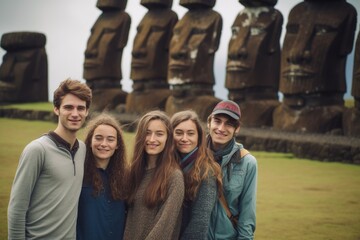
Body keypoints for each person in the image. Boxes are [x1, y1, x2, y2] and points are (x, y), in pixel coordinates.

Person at [7, 78, 92, 239]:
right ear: (56, 109)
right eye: (68, 107)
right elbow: (17, 208)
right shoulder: (37, 150)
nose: (75, 113)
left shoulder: (83, 150)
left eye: (80, 108)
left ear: (86, 111)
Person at [124, 110, 184, 240]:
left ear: (167, 138)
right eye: (147, 133)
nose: (152, 139)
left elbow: (165, 226)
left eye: (159, 134)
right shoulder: (133, 172)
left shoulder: (174, 176)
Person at [207, 100, 258, 240]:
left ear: (237, 128)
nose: (221, 128)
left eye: (229, 123)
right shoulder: (195, 155)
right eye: (217, 121)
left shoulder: (248, 163)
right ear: (209, 123)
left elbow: (248, 214)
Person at [170, 110, 222, 240]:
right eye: (179, 133)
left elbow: (199, 223)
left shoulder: (206, 171)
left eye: (190, 133)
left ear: (199, 137)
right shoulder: (167, 165)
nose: (184, 138)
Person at [77, 113, 128, 240]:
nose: (104, 144)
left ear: (117, 145)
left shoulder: (126, 177)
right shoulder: (77, 174)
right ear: (90, 141)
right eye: (98, 138)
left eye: (110, 139)